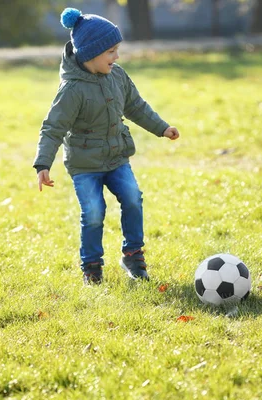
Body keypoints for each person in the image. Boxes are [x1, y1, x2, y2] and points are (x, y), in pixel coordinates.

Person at [33, 8, 180, 285]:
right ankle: (91, 266)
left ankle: (133, 255)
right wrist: (43, 164)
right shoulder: (72, 90)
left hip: (116, 158)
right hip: (85, 165)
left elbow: (136, 106)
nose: (117, 56)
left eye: (117, 50)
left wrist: (161, 128)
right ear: (90, 54)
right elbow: (53, 127)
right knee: (94, 213)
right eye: (111, 51)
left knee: (133, 198)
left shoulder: (117, 76)